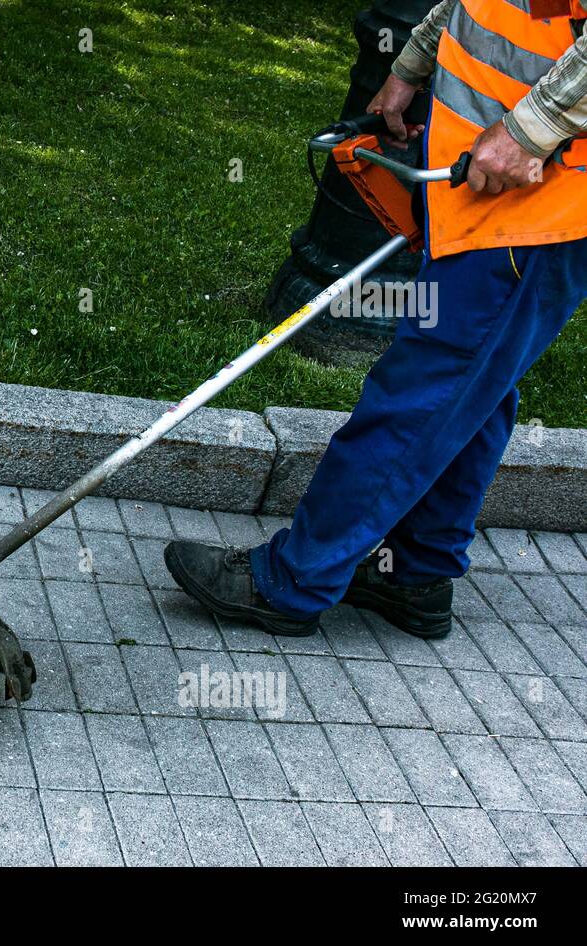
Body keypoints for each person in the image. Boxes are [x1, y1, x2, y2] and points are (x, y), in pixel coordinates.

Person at [165, 0, 587, 640]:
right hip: (484, 177)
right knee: (475, 385)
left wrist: (531, 128)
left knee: (424, 391)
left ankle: (292, 581)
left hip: (538, 196)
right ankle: (415, 573)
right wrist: (415, 60)